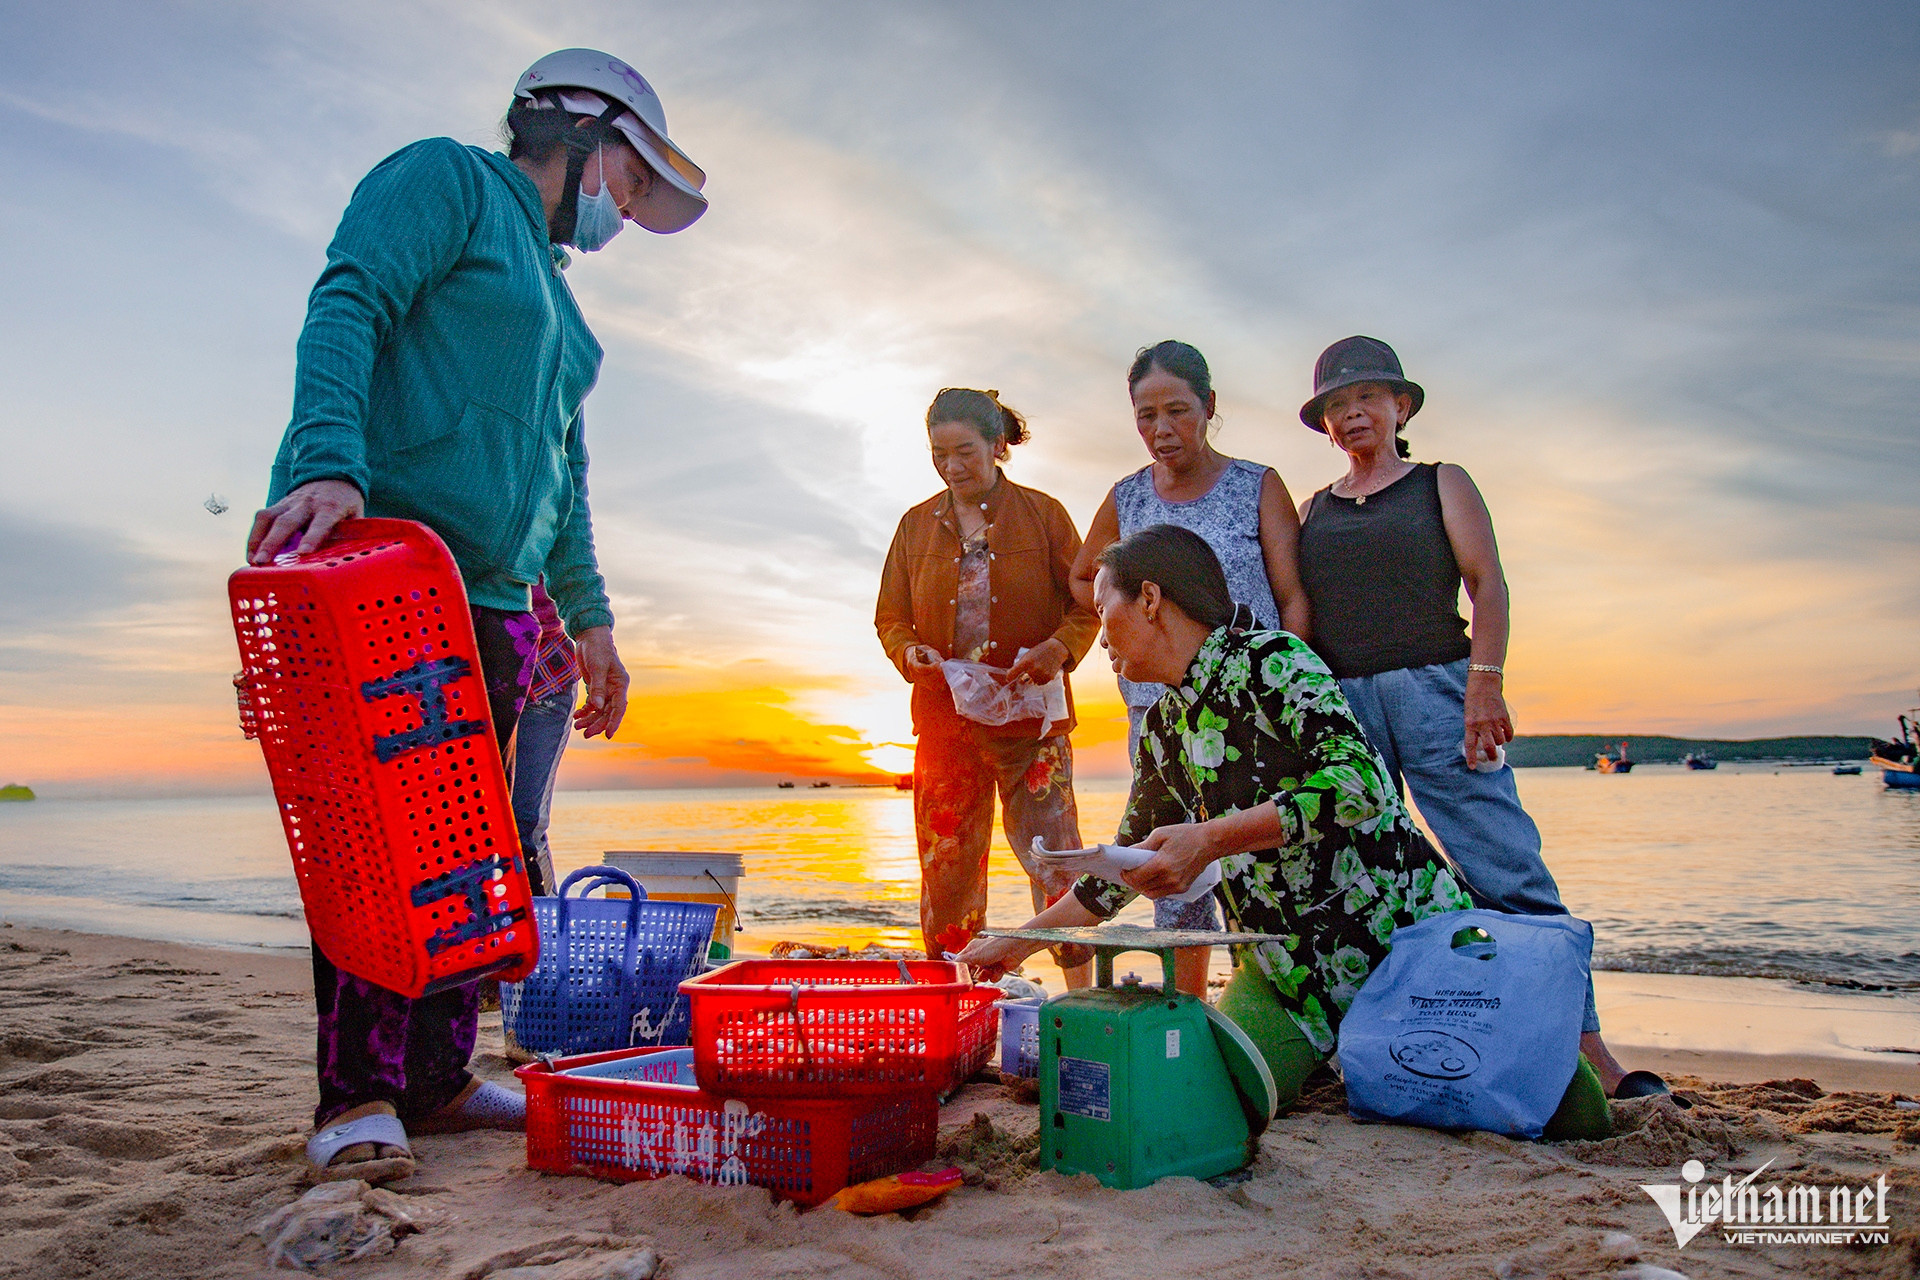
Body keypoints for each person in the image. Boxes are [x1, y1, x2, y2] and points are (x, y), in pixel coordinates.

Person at [246, 47, 707, 1183]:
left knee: (474, 848)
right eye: (632, 183)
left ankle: (439, 1077)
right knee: (383, 840)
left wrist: (592, 618)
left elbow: (565, 474)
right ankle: (355, 1093)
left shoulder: (560, 305)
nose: (628, 210)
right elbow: (350, 297)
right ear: (583, 135)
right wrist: (327, 461)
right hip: (388, 562)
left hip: (495, 600)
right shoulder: (450, 183)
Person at [957, 525, 1475, 1107]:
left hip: (1401, 943)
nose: (1099, 639)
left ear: (1150, 599)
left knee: (1555, 1105)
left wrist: (1210, 839)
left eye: (1103, 610)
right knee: (1203, 1101)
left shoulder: (1274, 662)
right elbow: (1119, 872)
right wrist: (1014, 943)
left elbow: (1363, 784)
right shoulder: (1162, 727)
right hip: (1285, 975)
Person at [1292, 334, 1658, 1099]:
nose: (1352, 412)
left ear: (1401, 406)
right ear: (1324, 422)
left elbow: (1487, 584)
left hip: (1440, 695)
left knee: (1505, 867)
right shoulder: (1312, 508)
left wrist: (1484, 684)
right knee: (1356, 879)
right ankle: (1378, 1044)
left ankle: (1592, 1056)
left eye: (1367, 397)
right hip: (1345, 706)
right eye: (1336, 403)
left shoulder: (1439, 482)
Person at [1069, 340, 1312, 996]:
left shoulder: (1255, 485)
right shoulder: (1127, 495)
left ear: (1208, 407)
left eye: (1177, 411)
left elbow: (1291, 595)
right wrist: (1124, 613)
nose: (1161, 429)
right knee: (1169, 858)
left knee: (1262, 854)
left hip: (1253, 705)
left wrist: (1292, 688)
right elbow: (1082, 575)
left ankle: (1275, 1000)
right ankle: (1188, 1007)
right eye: (1145, 416)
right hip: (1159, 708)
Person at [875, 388, 1101, 986]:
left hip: (1032, 724)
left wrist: (1059, 649)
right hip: (946, 725)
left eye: (965, 451)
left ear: (998, 446)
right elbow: (890, 618)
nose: (952, 466)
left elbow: (1091, 603)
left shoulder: (1045, 514)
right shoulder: (914, 526)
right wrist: (909, 652)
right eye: (938, 453)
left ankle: (1078, 1003)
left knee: (1056, 864)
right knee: (947, 871)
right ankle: (955, 1000)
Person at [510, 581, 580, 897]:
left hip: (544, 665)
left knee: (522, 825)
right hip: (445, 654)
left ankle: (547, 936)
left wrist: (594, 632)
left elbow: (571, 555)